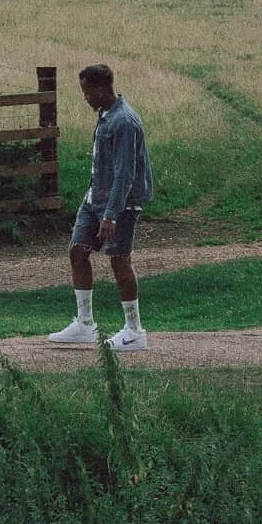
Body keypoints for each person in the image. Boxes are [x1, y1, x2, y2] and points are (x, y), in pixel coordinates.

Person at [48, 63, 154, 352]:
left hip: (121, 203)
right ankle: (84, 324)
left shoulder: (124, 122)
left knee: (119, 260)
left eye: (85, 91)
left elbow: (125, 173)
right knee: (77, 250)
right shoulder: (106, 116)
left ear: (98, 88)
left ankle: (134, 330)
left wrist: (111, 214)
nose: (84, 98)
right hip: (95, 197)